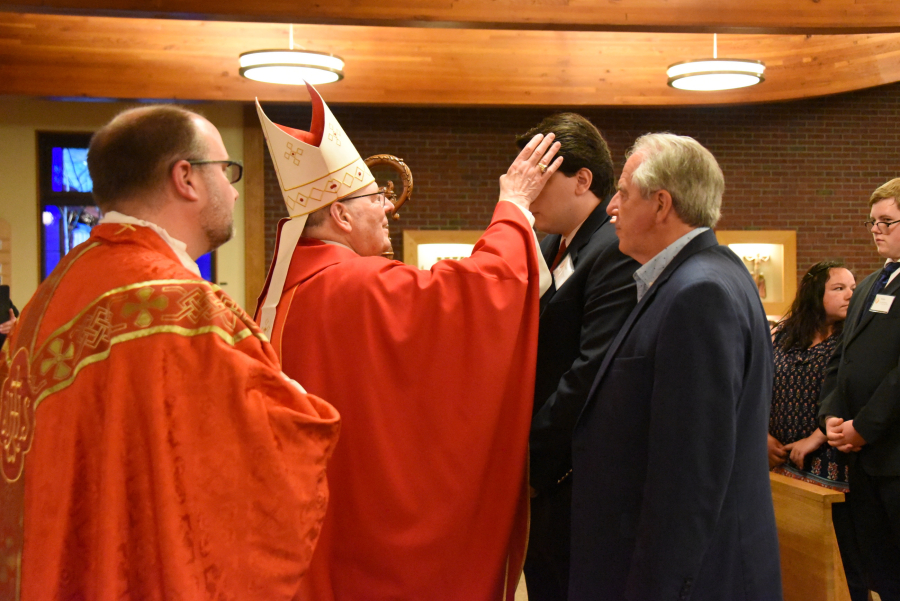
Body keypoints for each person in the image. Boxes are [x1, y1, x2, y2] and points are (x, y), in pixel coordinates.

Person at [0, 105, 341, 601]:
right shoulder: (180, 305)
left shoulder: (46, 301)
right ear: (186, 177)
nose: (234, 189)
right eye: (227, 171)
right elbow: (284, 440)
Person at [253, 83, 561, 600]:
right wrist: (513, 207)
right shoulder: (353, 285)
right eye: (375, 198)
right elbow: (475, 294)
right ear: (342, 216)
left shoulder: (292, 295)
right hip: (373, 544)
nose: (388, 210)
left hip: (324, 528)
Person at [569, 133, 782, 600]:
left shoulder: (697, 293)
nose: (611, 207)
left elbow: (691, 471)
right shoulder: (705, 275)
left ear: (661, 204)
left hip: (692, 579)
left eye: (623, 193)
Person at [517, 113, 639, 601]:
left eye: (538, 179)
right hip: (544, 474)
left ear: (582, 180)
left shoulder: (613, 248)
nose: (525, 196)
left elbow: (590, 371)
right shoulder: (547, 243)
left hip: (574, 474)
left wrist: (533, 462)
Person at [820, 177, 900, 601]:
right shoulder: (869, 283)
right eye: (872, 221)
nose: (875, 229)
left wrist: (864, 426)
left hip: (893, 451)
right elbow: (841, 357)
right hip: (861, 458)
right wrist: (831, 416)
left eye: (886, 221)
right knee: (879, 573)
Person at [768, 261, 867, 601]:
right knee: (794, 560)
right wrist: (760, 435)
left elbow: (854, 393)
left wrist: (818, 436)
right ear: (815, 294)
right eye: (838, 288)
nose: (849, 295)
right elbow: (754, 387)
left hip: (833, 461)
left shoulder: (854, 338)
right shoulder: (781, 335)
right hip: (781, 463)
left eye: (852, 287)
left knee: (843, 561)